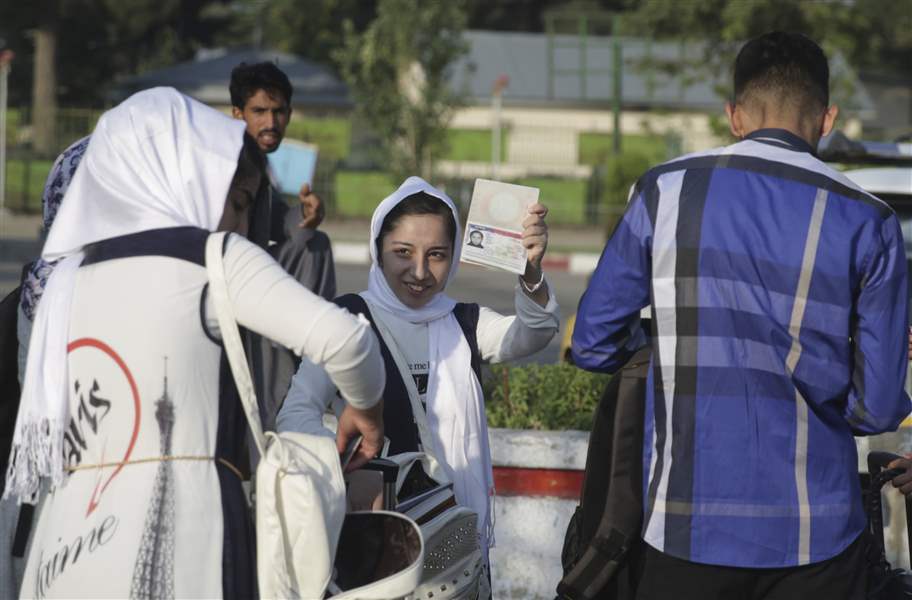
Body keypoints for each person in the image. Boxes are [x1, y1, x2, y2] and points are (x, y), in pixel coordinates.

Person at [3, 87, 385, 598]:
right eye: (239, 202)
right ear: (188, 175)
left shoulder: (65, 281)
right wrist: (367, 412)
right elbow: (348, 342)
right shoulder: (210, 256)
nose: (244, 225)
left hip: (66, 547)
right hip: (188, 533)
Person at [572, 32, 910, 599]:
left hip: (681, 527)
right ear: (827, 119)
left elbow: (592, 342)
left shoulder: (665, 190)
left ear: (734, 116)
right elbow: (876, 406)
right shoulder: (868, 219)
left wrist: (675, 351)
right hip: (819, 534)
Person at [277, 176, 560, 570]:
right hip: (373, 540)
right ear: (377, 249)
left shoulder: (464, 323)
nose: (420, 271)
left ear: (454, 256)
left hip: (453, 542)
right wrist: (345, 471)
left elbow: (534, 333)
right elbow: (295, 414)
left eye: (437, 255)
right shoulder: (346, 320)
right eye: (403, 252)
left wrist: (530, 271)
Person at [229, 61, 335, 428]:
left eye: (278, 112)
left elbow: (277, 222)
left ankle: (313, 354)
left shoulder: (258, 166)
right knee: (313, 247)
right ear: (237, 114)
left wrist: (306, 216)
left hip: (251, 274)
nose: (270, 122)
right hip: (224, 275)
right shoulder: (227, 163)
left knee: (313, 241)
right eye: (259, 111)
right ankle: (312, 350)